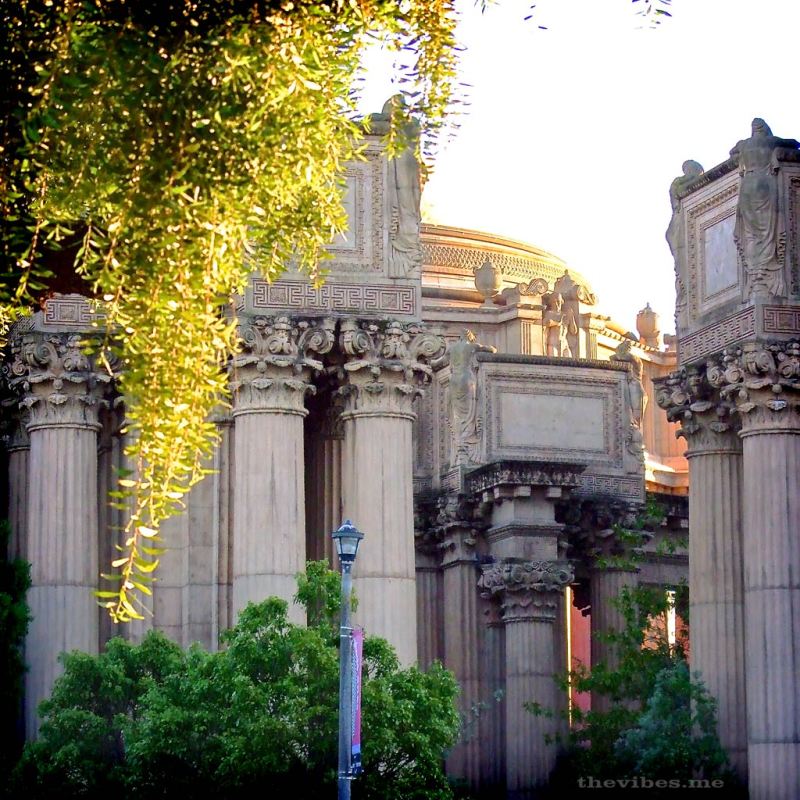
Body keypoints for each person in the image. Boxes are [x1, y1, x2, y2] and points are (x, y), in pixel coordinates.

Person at [731, 118, 799, 298]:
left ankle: (755, 273)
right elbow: (794, 143)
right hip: (766, 185)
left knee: (751, 234)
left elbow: (732, 152)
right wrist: (776, 150)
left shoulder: (744, 144)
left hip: (747, 185)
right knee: (768, 231)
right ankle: (766, 270)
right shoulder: (771, 141)